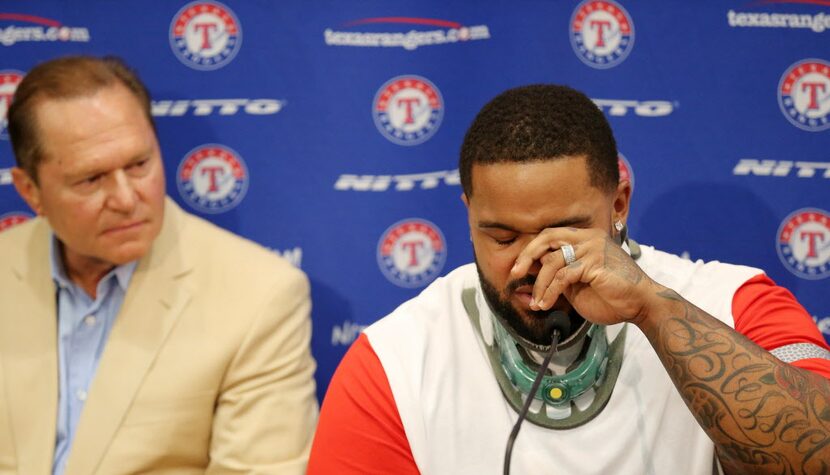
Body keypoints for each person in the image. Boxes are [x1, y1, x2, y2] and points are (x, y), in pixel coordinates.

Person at [307, 85, 830, 474]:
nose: (531, 263)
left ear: (618, 205)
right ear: (468, 215)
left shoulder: (734, 304)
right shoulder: (395, 362)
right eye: (503, 237)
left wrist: (653, 308)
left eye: (563, 232)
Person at [0, 56, 317, 474]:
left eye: (139, 165)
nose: (126, 199)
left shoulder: (261, 297)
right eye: (91, 179)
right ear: (30, 191)